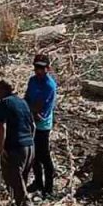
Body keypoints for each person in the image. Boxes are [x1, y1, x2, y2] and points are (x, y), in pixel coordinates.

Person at [0, 79, 37, 206]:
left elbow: (1, 126)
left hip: (15, 149)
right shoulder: (23, 103)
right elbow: (34, 126)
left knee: (17, 186)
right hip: (29, 147)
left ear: (4, 90)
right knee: (19, 182)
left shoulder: (5, 103)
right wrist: (29, 142)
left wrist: (1, 149)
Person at [24, 53, 58, 197]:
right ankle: (38, 182)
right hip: (32, 120)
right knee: (34, 156)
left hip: (42, 124)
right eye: (36, 67)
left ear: (48, 68)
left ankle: (49, 188)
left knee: (44, 156)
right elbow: (27, 97)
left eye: (41, 68)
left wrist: (30, 111)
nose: (38, 71)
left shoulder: (49, 86)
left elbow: (41, 109)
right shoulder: (33, 81)